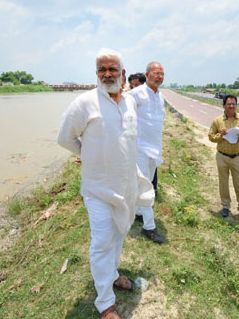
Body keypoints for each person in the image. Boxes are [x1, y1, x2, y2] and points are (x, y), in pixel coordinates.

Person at [57, 48, 154, 319]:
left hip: (125, 185)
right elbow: (65, 138)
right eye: (102, 70)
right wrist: (88, 155)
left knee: (120, 232)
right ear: (96, 74)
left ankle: (112, 275)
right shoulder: (84, 103)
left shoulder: (130, 102)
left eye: (113, 69)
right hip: (98, 188)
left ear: (123, 74)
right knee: (101, 241)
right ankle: (105, 304)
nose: (108, 74)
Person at [127, 61, 166, 244]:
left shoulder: (160, 96)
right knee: (146, 187)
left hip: (155, 148)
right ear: (147, 73)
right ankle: (149, 226)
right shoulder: (136, 94)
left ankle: (137, 212)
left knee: (147, 181)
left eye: (162, 74)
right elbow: (124, 118)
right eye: (156, 73)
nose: (159, 77)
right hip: (140, 147)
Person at [208, 94, 239, 222]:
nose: (231, 106)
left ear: (236, 105)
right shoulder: (218, 121)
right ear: (224, 106)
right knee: (223, 183)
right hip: (222, 156)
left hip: (237, 157)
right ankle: (225, 207)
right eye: (229, 104)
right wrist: (221, 135)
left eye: (234, 104)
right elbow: (211, 137)